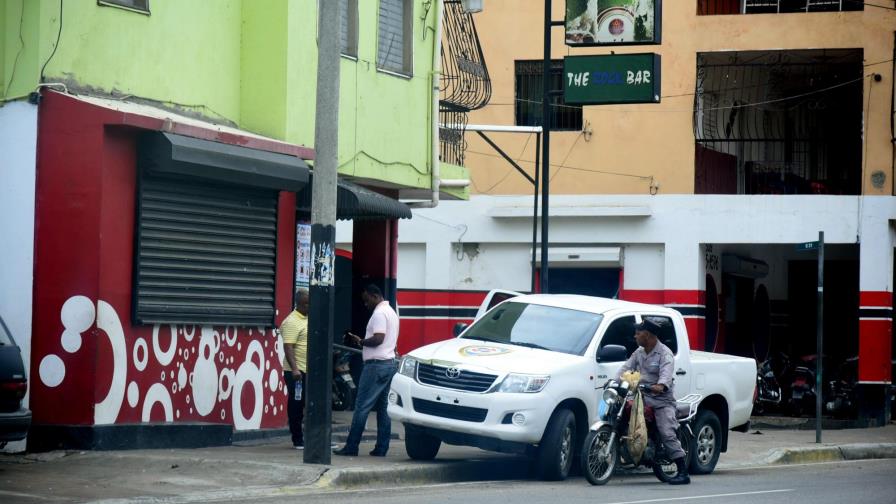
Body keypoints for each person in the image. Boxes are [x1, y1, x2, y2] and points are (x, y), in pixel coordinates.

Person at [614, 317, 690, 485]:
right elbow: (625, 368)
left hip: (661, 401)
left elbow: (665, 379)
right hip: (641, 397)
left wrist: (658, 386)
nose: (635, 336)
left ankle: (683, 472)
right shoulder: (639, 352)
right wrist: (614, 381)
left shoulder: (665, 354)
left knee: (667, 432)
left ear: (647, 335)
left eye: (638, 333)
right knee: (619, 412)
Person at [333, 284, 400, 457]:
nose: (365, 304)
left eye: (367, 300)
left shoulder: (379, 314)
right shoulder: (391, 312)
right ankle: (381, 448)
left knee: (362, 406)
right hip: (389, 364)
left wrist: (361, 342)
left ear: (375, 296)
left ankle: (351, 446)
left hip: (376, 366)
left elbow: (378, 339)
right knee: (383, 408)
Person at [280, 288, 309, 450]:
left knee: (310, 405)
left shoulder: (307, 318)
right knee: (297, 405)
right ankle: (297, 439)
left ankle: (314, 438)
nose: (310, 307)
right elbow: (288, 347)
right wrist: (295, 369)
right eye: (308, 304)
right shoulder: (291, 321)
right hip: (297, 372)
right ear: (301, 304)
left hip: (309, 370)